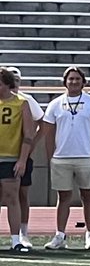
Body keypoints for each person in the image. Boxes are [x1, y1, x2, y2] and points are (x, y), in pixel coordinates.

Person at [42, 67, 90, 250]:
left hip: (85, 156)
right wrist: (50, 156)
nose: (74, 82)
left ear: (83, 82)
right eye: (70, 79)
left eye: (77, 79)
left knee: (88, 196)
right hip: (61, 157)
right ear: (65, 82)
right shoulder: (55, 104)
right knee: (63, 197)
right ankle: (60, 235)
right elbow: (48, 133)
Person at [6, 66, 43, 249]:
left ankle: (22, 233)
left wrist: (27, 151)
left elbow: (39, 125)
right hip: (6, 154)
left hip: (17, 155)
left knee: (20, 194)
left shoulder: (25, 101)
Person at [0, 68, 35, 253]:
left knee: (13, 198)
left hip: (10, 158)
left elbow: (28, 135)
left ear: (7, 84)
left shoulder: (21, 103)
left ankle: (15, 240)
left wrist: (22, 160)